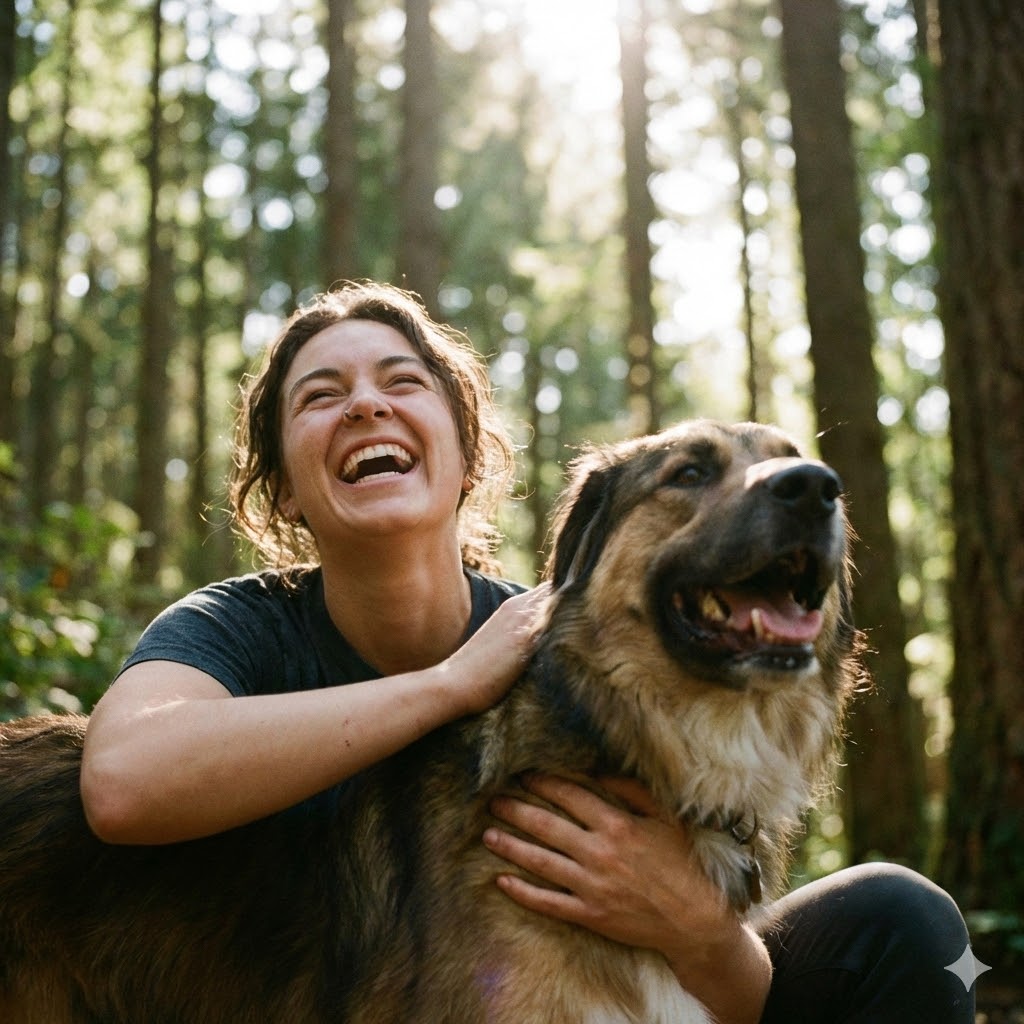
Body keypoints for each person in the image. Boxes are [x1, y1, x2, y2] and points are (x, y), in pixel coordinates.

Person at [80, 281, 975, 1024]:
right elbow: (123, 779)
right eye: (321, 396)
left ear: (468, 452)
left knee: (905, 921)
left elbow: (734, 999)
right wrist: (452, 684)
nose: (365, 403)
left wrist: (699, 930)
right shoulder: (240, 625)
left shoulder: (574, 652)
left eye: (402, 379)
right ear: (281, 486)